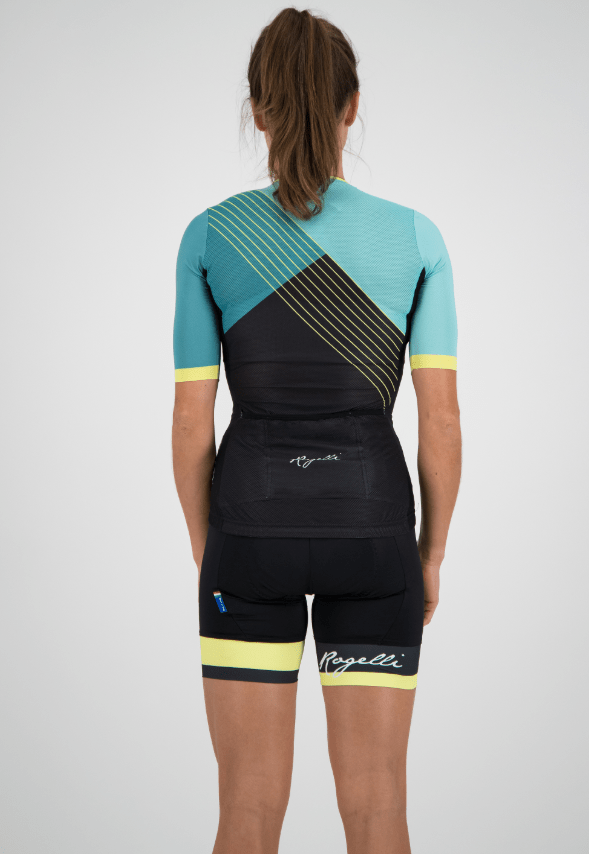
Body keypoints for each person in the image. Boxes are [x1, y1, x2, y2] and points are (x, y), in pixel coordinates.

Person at [172, 7, 461, 854]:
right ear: (352, 105)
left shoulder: (209, 236)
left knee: (245, 813)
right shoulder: (415, 238)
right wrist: (429, 555)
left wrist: (213, 549)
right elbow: (440, 418)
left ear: (258, 111)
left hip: (248, 531)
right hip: (372, 536)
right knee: (376, 811)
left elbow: (190, 419)